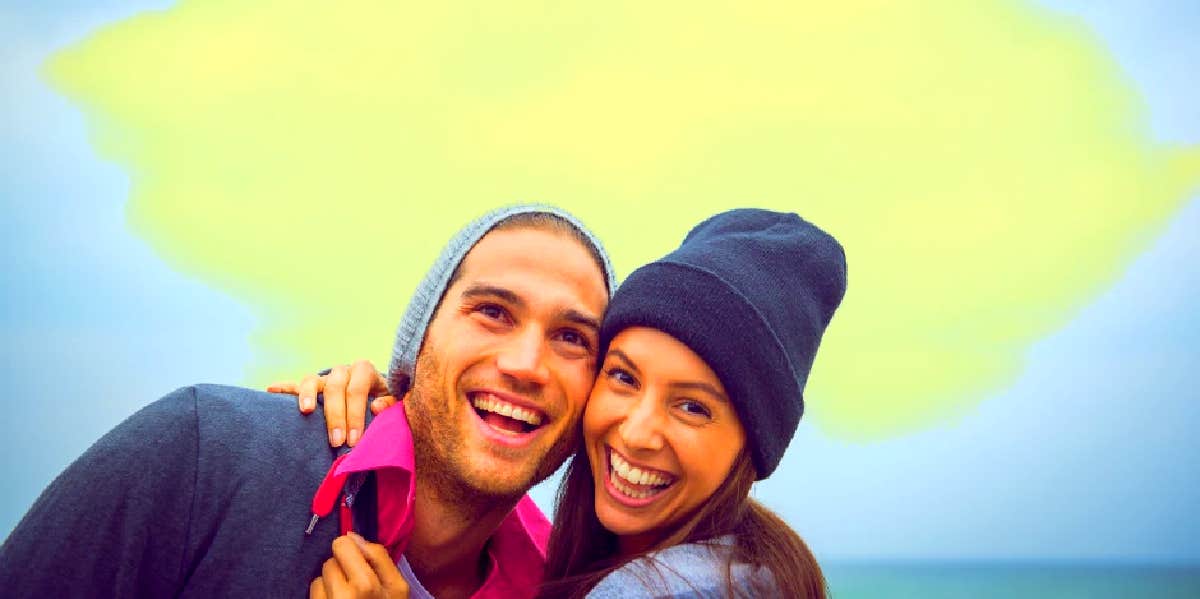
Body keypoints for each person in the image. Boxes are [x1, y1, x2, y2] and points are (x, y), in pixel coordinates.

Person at [0, 205, 616, 598]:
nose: (525, 364)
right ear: (419, 340)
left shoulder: (563, 588)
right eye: (491, 312)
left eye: (570, 338)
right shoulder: (203, 455)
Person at [300, 208, 847, 597]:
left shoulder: (668, 589)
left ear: (751, 447)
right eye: (624, 378)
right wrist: (417, 400)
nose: (635, 432)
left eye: (693, 407)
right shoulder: (562, 557)